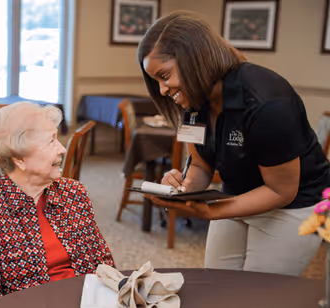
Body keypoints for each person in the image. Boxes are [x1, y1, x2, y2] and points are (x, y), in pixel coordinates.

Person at [137, 11, 330, 276]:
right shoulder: (192, 103)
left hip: (295, 204)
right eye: (155, 81)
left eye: (165, 75)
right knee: (217, 283)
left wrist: (210, 212)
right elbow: (200, 167)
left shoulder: (267, 101)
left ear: (194, 59)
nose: (162, 90)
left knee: (257, 295)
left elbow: (281, 190)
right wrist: (182, 189)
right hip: (237, 192)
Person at [0, 102, 114, 308]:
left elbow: (104, 264)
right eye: (51, 141)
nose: (62, 149)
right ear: (19, 158)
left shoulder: (73, 193)